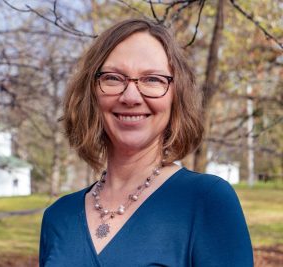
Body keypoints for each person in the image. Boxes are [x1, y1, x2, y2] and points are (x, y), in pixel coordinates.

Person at [39, 18, 253, 266]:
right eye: (113, 78)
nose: (130, 97)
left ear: (176, 96)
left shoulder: (207, 201)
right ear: (91, 93)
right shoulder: (57, 217)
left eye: (153, 79)